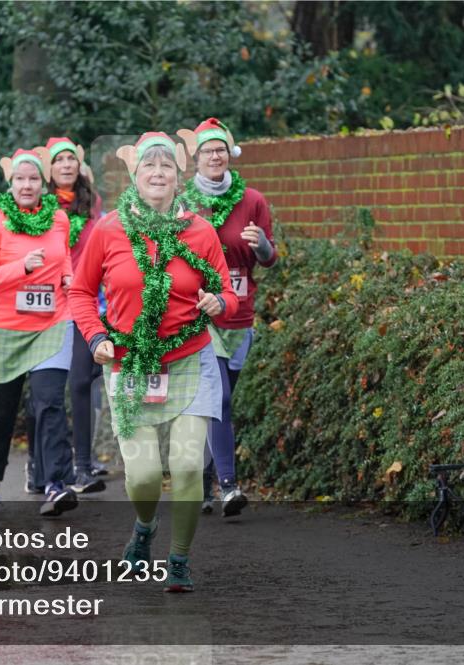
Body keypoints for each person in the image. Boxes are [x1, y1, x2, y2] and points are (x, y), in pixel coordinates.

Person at [69, 132, 239, 592]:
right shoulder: (108, 229)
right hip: (129, 364)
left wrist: (217, 303)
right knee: (143, 476)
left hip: (189, 359)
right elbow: (80, 292)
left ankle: (179, 558)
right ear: (135, 173)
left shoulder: (200, 231)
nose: (158, 173)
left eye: (167, 166)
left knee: (186, 466)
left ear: (179, 175)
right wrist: (96, 336)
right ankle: (144, 528)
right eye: (150, 165)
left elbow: (227, 293)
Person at [0, 148, 78, 517]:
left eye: (33, 178)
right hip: (3, 327)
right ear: (10, 183)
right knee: (3, 408)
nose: (27, 185)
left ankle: (56, 483)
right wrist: (21, 268)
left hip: (51, 322)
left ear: (43, 183)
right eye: (20, 179)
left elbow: (63, 258)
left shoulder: (59, 219)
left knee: (50, 401)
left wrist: (68, 277)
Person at [178, 118, 277, 517]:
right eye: (208, 151)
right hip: (200, 313)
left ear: (229, 154)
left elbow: (268, 259)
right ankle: (229, 486)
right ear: (197, 158)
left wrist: (263, 244)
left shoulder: (252, 200)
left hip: (240, 313)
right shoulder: (183, 201)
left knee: (216, 402)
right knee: (218, 397)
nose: (215, 156)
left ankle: (202, 481)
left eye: (221, 149)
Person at [41, 136, 106, 495]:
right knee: (58, 385)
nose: (66, 164)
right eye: (59, 159)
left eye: (71, 158)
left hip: (89, 300)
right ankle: (52, 464)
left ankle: (83, 461)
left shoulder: (91, 202)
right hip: (52, 304)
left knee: (87, 379)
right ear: (48, 169)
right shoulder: (40, 205)